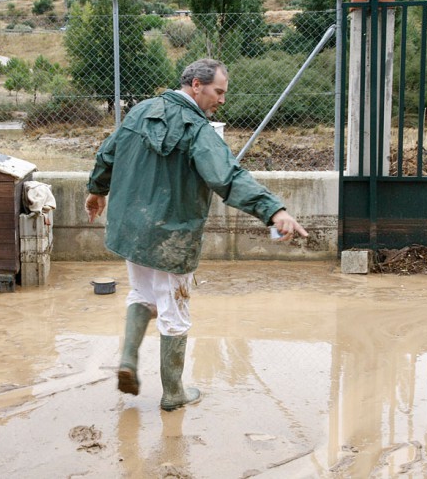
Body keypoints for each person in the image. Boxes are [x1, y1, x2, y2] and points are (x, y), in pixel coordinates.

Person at [85, 58, 308, 411]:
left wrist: (97, 190)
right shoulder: (198, 130)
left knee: (142, 293)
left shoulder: (141, 110)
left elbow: (108, 153)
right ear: (196, 86)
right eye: (218, 92)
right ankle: (173, 392)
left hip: (132, 227)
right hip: (173, 233)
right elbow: (227, 178)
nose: (222, 100)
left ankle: (128, 360)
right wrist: (273, 210)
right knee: (175, 310)